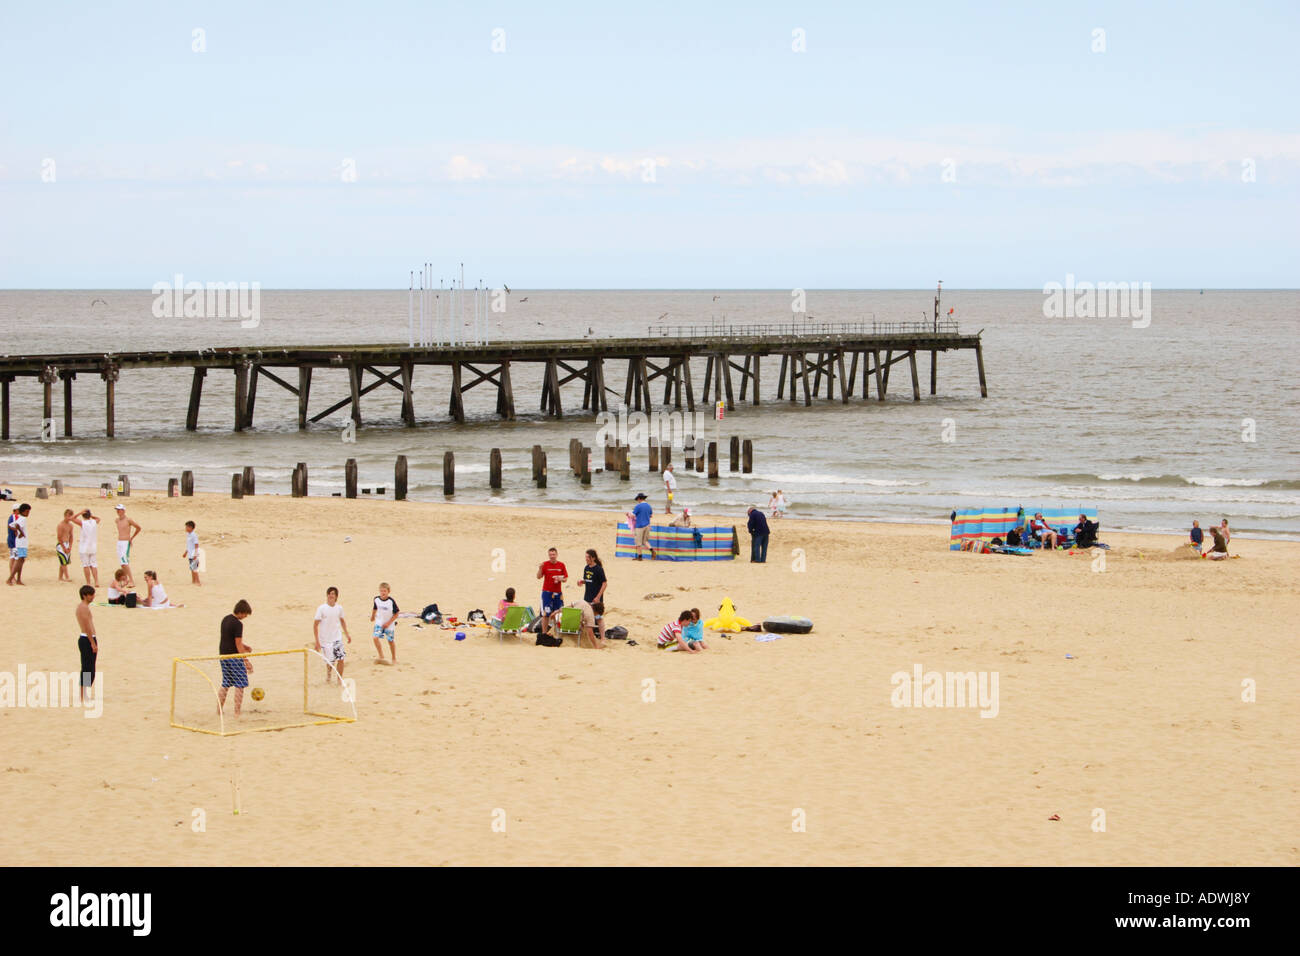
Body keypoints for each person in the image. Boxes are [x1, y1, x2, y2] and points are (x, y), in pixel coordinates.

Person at [218, 600, 254, 717]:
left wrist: (245, 646)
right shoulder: (238, 624)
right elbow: (237, 644)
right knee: (240, 684)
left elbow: (228, 639)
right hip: (234, 657)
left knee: (226, 683)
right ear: (242, 612)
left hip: (223, 655)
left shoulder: (225, 619)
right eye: (245, 614)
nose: (245, 617)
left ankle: (219, 709)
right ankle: (237, 712)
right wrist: (246, 660)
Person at [313, 586, 352, 682]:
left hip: (337, 638)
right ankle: (329, 675)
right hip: (325, 639)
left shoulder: (339, 608)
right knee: (331, 661)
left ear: (336, 596)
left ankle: (339, 680)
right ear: (327, 595)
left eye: (333, 594)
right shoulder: (321, 608)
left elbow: (342, 621)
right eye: (329, 594)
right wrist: (317, 642)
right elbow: (315, 625)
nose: (331, 596)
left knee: (341, 658)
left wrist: (347, 634)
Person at [75, 585, 98, 705]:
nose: (93, 597)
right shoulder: (83, 608)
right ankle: (83, 695)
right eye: (91, 595)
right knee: (87, 668)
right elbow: (87, 627)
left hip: (88, 639)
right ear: (85, 595)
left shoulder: (84, 607)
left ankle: (85, 694)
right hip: (87, 639)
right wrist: (92, 643)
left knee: (90, 668)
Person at [370, 582, 400, 664]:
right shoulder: (376, 599)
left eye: (384, 591)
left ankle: (394, 658)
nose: (382, 593)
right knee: (375, 638)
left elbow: (397, 613)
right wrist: (372, 616)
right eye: (381, 591)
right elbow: (375, 608)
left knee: (390, 641)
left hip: (389, 624)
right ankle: (381, 656)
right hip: (379, 622)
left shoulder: (391, 601)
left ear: (388, 591)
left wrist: (389, 623)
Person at [114, 504, 141, 587]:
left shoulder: (128, 520)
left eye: (119, 509)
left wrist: (131, 538)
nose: (118, 511)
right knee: (122, 562)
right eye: (117, 510)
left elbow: (138, 527)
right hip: (119, 542)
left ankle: (131, 580)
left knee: (124, 562)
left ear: (123, 510)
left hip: (125, 542)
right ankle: (125, 579)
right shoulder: (117, 520)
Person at [72, 508, 100, 586]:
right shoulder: (94, 522)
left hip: (84, 547)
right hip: (93, 547)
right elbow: (98, 519)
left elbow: (73, 518)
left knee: (86, 565)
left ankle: (88, 582)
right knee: (93, 565)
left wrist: (80, 512)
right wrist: (91, 515)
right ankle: (96, 581)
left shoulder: (83, 523)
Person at [537, 547, 568, 616]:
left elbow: (565, 579)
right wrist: (540, 569)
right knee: (545, 614)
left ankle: (555, 627)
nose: (552, 556)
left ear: (557, 555)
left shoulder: (561, 565)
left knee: (558, 613)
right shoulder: (544, 564)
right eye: (550, 555)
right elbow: (538, 577)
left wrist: (560, 579)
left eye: (553, 554)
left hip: (558, 593)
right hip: (547, 592)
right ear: (548, 555)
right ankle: (544, 627)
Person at [6, 503, 30, 585]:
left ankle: (18, 579)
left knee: (21, 560)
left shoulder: (19, 518)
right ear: (23, 511)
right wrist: (21, 533)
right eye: (27, 511)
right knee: (19, 560)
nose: (28, 513)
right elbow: (16, 525)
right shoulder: (22, 518)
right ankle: (10, 578)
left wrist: (17, 532)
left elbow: (11, 526)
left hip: (20, 542)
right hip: (21, 543)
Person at [631, 493, 654, 560]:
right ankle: (652, 551)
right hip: (647, 525)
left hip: (639, 526)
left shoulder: (638, 506)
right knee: (645, 541)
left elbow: (633, 515)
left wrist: (628, 514)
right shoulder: (649, 506)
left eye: (637, 499)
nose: (637, 501)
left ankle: (640, 557)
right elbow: (651, 515)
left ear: (639, 498)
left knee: (638, 542)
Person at [56, 509, 76, 582]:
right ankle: (67, 577)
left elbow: (71, 536)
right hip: (61, 544)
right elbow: (59, 537)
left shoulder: (70, 525)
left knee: (64, 561)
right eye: (68, 516)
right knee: (63, 561)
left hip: (67, 543)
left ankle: (60, 577)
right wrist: (63, 547)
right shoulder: (60, 525)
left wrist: (70, 546)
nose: (70, 517)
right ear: (65, 516)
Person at [182, 520, 201, 586]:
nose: (186, 528)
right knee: (192, 568)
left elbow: (196, 544)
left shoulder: (194, 535)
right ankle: (193, 581)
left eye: (187, 527)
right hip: (190, 554)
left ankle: (198, 582)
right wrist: (185, 552)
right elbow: (189, 545)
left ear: (191, 527)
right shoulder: (188, 535)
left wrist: (196, 554)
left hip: (194, 554)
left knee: (194, 568)